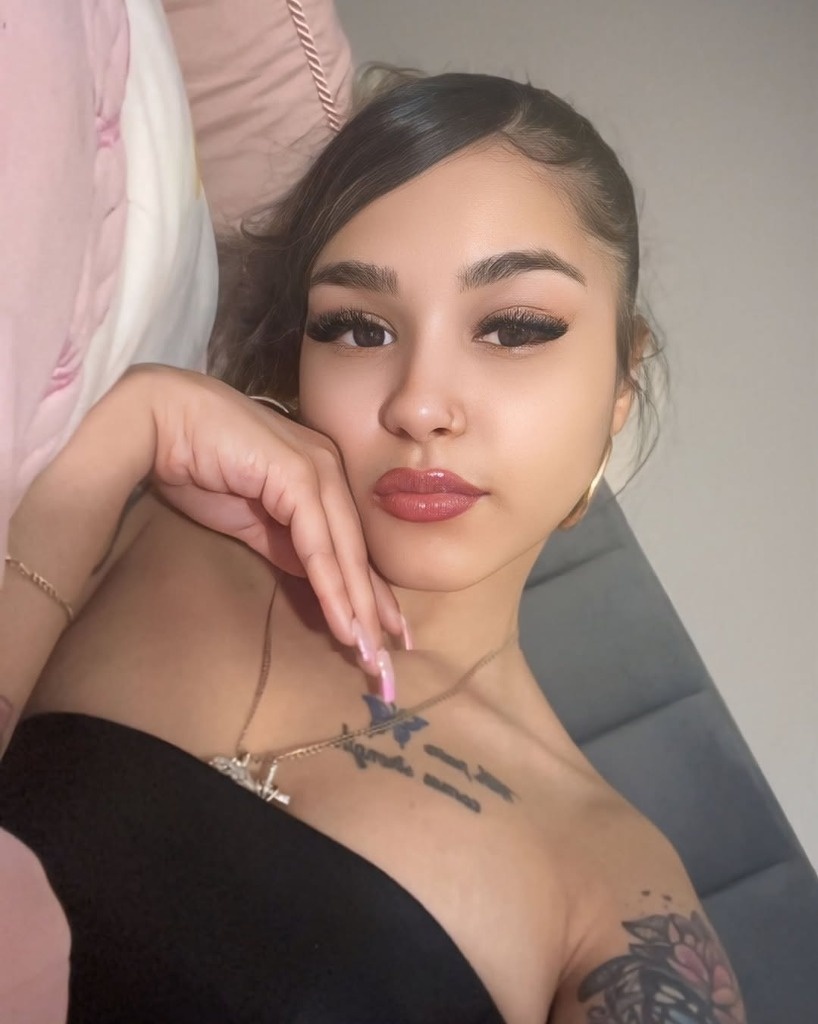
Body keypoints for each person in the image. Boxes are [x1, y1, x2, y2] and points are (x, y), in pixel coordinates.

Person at [0, 69, 746, 1024]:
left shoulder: (616, 896)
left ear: (620, 387)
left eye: (514, 328)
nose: (419, 403)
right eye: (358, 328)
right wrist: (112, 445)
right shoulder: (144, 517)